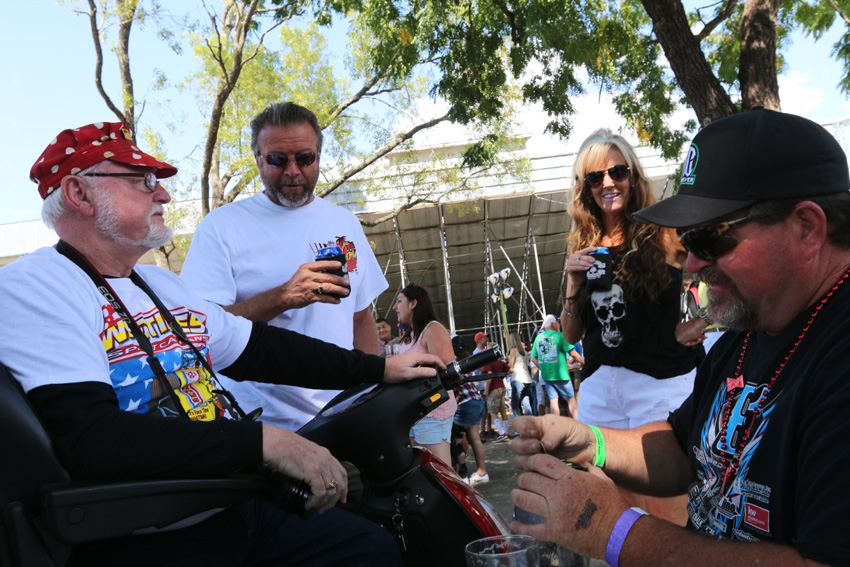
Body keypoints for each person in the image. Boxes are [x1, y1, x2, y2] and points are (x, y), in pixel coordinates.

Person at [0, 121, 444, 566]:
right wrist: (266, 443)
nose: (163, 194)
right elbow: (94, 439)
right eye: (143, 181)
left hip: (233, 503)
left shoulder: (159, 284)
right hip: (149, 534)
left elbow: (264, 350)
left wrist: (379, 369)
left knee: (373, 548)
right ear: (79, 194)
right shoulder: (35, 285)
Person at [511, 108, 850, 566]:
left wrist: (612, 531)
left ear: (807, 227)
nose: (691, 263)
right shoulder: (747, 335)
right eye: (688, 241)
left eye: (710, 238)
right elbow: (681, 446)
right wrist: (590, 440)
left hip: (655, 377)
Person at [180, 102, 388, 431]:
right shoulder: (221, 226)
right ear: (258, 159)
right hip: (261, 427)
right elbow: (200, 329)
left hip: (342, 419)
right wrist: (283, 297)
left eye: (304, 158)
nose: (292, 171)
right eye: (277, 159)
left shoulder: (344, 222)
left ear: (318, 156)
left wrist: (367, 395)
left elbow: (360, 317)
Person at [559, 127, 705, 523]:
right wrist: (573, 283)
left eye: (617, 172)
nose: (608, 183)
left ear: (633, 176)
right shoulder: (584, 243)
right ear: (586, 188)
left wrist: (703, 321)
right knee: (615, 510)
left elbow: (717, 266)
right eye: (595, 177)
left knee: (670, 511)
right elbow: (571, 335)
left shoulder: (664, 232)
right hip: (599, 387)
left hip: (659, 383)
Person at [394, 284, 457, 465]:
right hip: (414, 413)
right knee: (422, 470)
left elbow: (448, 372)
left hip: (432, 410)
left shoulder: (432, 329)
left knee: (438, 470)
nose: (395, 307)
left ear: (413, 303)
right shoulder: (408, 336)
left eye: (399, 301)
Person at [450, 337, 489, 486]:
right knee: (475, 439)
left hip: (465, 403)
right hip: (477, 401)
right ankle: (482, 473)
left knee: (457, 439)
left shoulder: (451, 360)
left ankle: (462, 475)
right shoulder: (466, 360)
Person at [530, 314, 583, 419]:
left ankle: (556, 425)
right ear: (553, 324)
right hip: (561, 375)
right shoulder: (559, 336)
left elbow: (533, 358)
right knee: (571, 400)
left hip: (547, 376)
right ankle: (578, 423)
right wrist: (585, 362)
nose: (559, 324)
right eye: (558, 322)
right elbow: (573, 353)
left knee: (553, 401)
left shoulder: (538, 338)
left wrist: (543, 367)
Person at [481, 354, 510, 442]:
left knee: (492, 411)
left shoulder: (489, 363)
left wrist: (486, 389)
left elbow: (489, 375)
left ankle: (501, 433)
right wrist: (503, 375)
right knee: (503, 410)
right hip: (501, 387)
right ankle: (506, 432)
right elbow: (511, 370)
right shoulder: (500, 362)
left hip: (493, 389)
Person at [508, 332, 536, 417]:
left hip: (517, 378)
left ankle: (519, 422)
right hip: (527, 379)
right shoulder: (523, 351)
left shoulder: (513, 351)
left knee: (515, 404)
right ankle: (530, 420)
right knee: (526, 403)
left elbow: (510, 367)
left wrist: (505, 373)